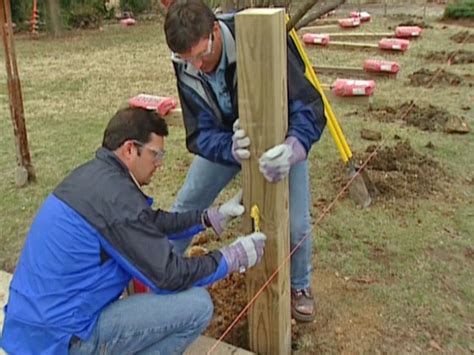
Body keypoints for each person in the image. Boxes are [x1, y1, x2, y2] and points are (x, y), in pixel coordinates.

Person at [1, 107, 266, 354]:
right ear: (130, 149)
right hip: (61, 339)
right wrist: (231, 258)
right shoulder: (117, 200)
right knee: (196, 306)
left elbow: (148, 223)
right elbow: (169, 276)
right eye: (156, 154)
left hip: (30, 328)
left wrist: (208, 218)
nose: (159, 163)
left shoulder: (95, 178)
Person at [164, 0, 326, 322]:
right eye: (187, 59)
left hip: (278, 141)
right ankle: (161, 269)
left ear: (215, 31)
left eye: (201, 55)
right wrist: (228, 147)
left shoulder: (264, 38)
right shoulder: (186, 60)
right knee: (188, 203)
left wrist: (293, 148)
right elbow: (199, 131)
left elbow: (309, 106)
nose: (196, 65)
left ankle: (299, 286)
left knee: (295, 224)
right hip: (232, 140)